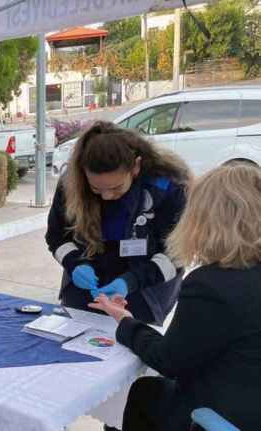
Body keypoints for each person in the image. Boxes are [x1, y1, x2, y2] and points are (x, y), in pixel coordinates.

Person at [89, 163, 261, 431]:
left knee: (146, 390)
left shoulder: (212, 286)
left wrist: (126, 321)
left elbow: (168, 360)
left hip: (230, 415)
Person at [45, 121, 191, 325]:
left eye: (116, 188)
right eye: (96, 188)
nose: (106, 196)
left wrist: (129, 282)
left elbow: (176, 256)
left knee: (134, 342)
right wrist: (75, 263)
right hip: (88, 280)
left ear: (136, 166)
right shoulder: (71, 183)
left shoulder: (169, 188)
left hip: (147, 281)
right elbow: (56, 237)